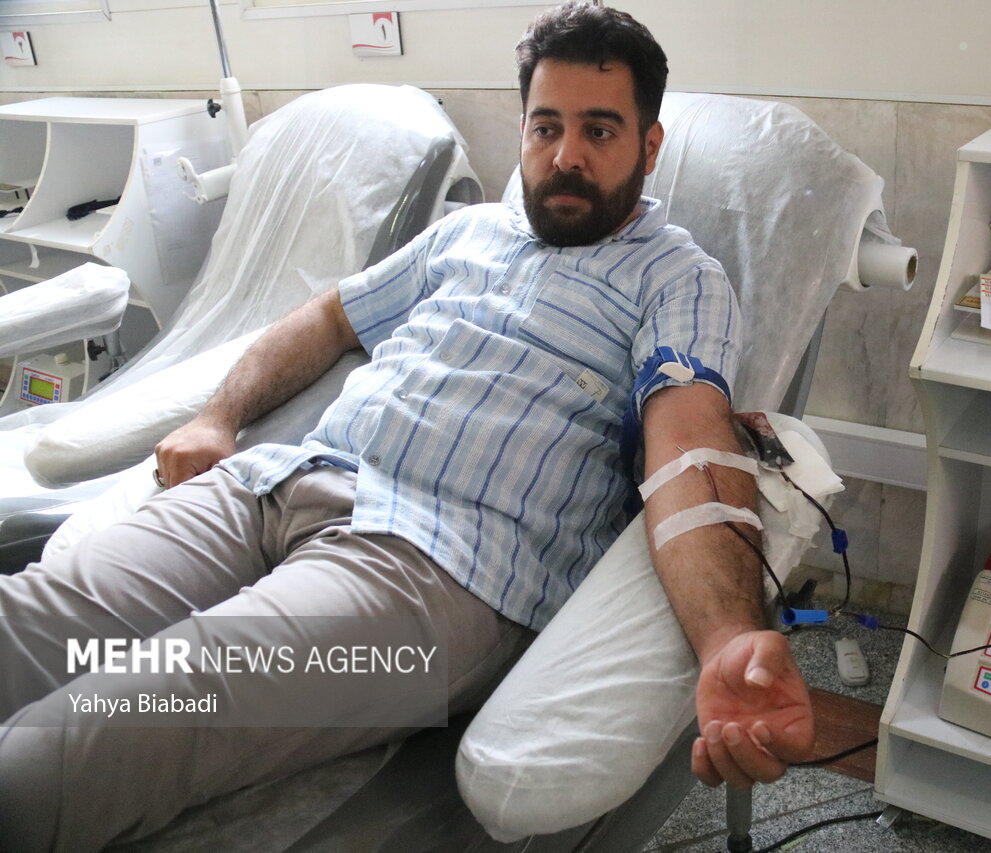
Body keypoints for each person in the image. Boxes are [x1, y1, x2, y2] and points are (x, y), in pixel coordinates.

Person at [0, 3, 814, 849]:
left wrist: (728, 636)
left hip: (436, 570)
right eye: (546, 127)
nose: (566, 155)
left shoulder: (678, 279)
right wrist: (218, 418)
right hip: (272, 486)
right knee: (22, 622)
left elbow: (689, 442)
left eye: (599, 131)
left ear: (649, 146)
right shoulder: (469, 233)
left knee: (110, 725)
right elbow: (330, 316)